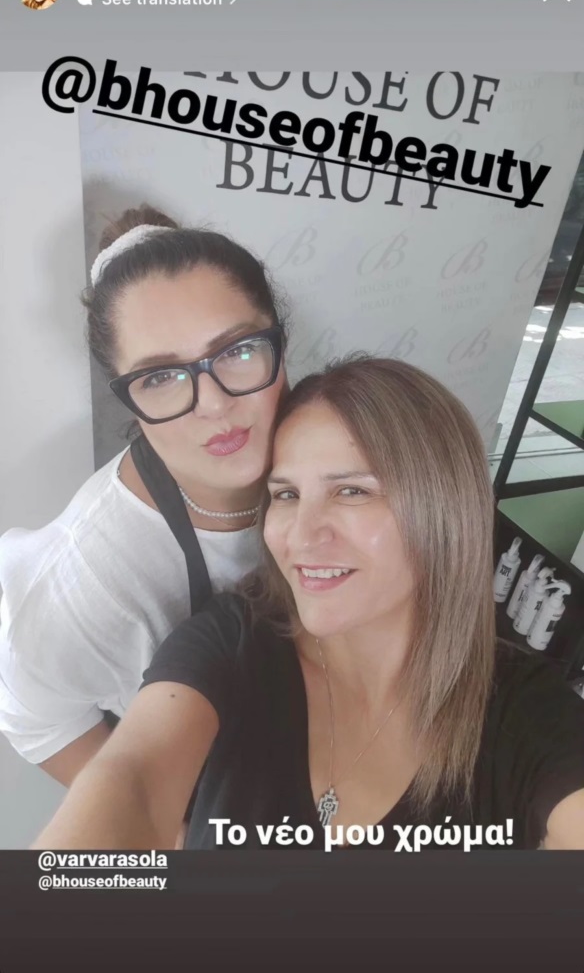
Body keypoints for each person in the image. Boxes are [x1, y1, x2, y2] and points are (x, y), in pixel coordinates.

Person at [33, 356, 584, 851]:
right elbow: (132, 782)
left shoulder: (525, 711)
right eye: (287, 495)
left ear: (445, 509)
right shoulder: (233, 642)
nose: (301, 534)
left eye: (352, 491)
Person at [0, 206, 288, 788]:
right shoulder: (87, 576)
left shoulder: (345, 451)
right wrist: (171, 828)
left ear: (278, 341)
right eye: (160, 377)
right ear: (126, 397)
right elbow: (34, 718)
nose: (214, 405)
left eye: (237, 350)